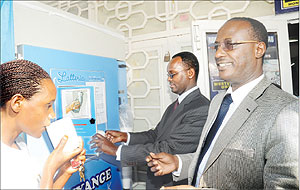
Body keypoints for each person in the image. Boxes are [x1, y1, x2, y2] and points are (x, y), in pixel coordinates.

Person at [146, 17, 299, 189]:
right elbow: (214, 157)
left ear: (259, 49)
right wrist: (179, 162)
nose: (218, 54)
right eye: (217, 46)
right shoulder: (218, 102)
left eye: (230, 45)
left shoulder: (286, 111)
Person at [89, 51, 210, 189]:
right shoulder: (175, 105)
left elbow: (167, 148)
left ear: (190, 73)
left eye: (172, 74)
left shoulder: (201, 108)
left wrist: (117, 151)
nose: (169, 79)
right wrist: (125, 137)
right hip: (157, 181)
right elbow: (155, 135)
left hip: (173, 184)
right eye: (168, 75)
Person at [0, 59, 86, 189]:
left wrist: (64, 171)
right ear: (17, 103)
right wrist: (50, 169)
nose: (52, 115)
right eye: (48, 105)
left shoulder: (19, 143)